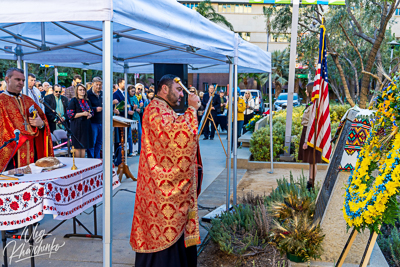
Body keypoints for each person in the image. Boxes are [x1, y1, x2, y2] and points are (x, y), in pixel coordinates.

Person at [130, 74, 202, 267]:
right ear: (164, 89)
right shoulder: (154, 109)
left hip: (158, 187)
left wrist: (189, 112)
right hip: (157, 189)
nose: (181, 95)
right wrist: (192, 110)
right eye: (178, 90)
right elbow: (175, 137)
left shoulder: (163, 108)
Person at [0, 68, 53, 171]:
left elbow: (43, 122)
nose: (21, 83)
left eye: (23, 80)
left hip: (32, 150)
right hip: (12, 152)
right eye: (17, 79)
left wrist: (41, 124)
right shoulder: (1, 101)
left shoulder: (28, 100)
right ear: (7, 79)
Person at [298, 83, 321, 189]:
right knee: (311, 161)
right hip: (308, 132)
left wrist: (307, 141)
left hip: (310, 134)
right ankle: (310, 181)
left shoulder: (313, 106)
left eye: (307, 90)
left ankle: (311, 184)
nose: (306, 92)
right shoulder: (312, 104)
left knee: (313, 161)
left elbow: (311, 124)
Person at [67, 83, 93, 158]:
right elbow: (70, 114)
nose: (82, 91)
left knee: (84, 146)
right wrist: (83, 114)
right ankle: (78, 163)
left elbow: (91, 111)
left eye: (83, 90)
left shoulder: (87, 101)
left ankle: (83, 164)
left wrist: (90, 114)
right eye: (80, 90)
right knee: (77, 147)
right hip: (77, 126)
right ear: (77, 91)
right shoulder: (73, 100)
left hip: (86, 126)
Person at [87, 77, 103, 159]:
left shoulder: (102, 94)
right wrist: (95, 109)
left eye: (100, 85)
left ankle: (97, 159)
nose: (98, 87)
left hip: (101, 121)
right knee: (92, 142)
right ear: (92, 84)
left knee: (99, 142)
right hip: (93, 122)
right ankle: (91, 159)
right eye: (97, 84)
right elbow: (85, 107)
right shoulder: (88, 94)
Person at [127, 84, 142, 156]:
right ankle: (131, 150)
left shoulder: (136, 98)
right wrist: (133, 107)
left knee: (140, 133)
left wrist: (138, 109)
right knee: (130, 135)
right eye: (132, 91)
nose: (133, 92)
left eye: (134, 91)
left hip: (137, 117)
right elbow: (129, 107)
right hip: (131, 118)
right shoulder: (127, 98)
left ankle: (140, 150)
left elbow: (139, 108)